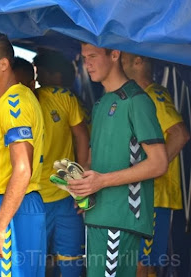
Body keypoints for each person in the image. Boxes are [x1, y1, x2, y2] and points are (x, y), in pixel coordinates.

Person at [67, 43, 169, 276]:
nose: (87, 63)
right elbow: (94, 161)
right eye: (84, 57)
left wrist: (100, 182)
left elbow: (159, 162)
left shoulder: (136, 101)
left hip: (120, 218)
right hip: (98, 215)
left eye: (93, 56)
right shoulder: (101, 103)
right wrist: (83, 186)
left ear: (115, 54)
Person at [0, 32, 46, 277]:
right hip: (11, 205)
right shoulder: (6, 103)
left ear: (3, 64)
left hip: (13, 209)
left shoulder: (15, 104)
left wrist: (0, 226)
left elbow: (23, 168)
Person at [121, 52, 190, 277]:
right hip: (142, 197)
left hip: (154, 197)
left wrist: (153, 169)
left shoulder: (154, 94)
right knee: (138, 263)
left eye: (122, 58)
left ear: (138, 61)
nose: (119, 63)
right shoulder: (138, 97)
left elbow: (180, 134)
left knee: (143, 264)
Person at [33, 50, 90, 276]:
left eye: (40, 73)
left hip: (66, 195)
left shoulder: (66, 98)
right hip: (34, 197)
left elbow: (83, 138)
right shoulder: (19, 103)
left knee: (71, 261)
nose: (37, 80)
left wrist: (80, 186)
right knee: (32, 262)